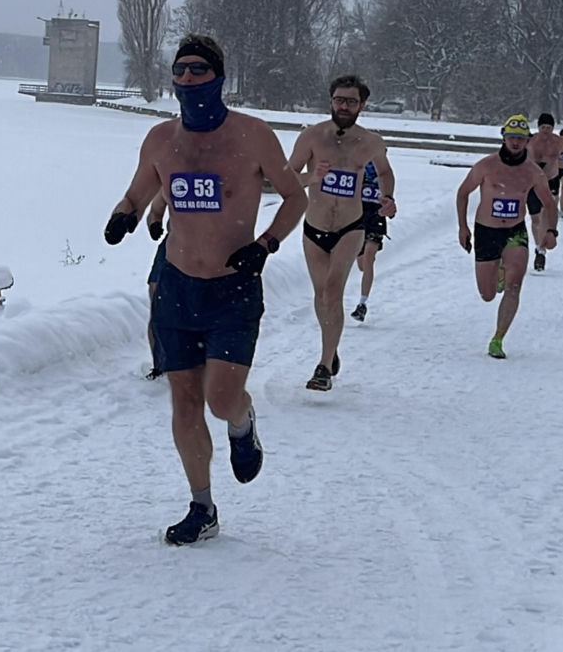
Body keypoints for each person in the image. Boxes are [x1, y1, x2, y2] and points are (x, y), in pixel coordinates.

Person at [104, 35, 306, 545]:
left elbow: (295, 197)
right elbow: (139, 189)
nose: (188, 80)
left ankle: (242, 421)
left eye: (199, 70)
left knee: (220, 398)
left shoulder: (254, 136)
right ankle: (203, 507)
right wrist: (123, 214)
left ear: (219, 77)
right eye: (181, 72)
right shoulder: (159, 140)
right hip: (177, 286)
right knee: (185, 400)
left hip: (233, 288)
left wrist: (266, 244)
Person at [288, 75, 396, 391]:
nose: (343, 106)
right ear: (331, 100)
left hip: (351, 226)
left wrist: (388, 197)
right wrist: (312, 177)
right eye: (339, 99)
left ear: (362, 104)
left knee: (333, 291)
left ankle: (323, 366)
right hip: (315, 228)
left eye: (350, 101)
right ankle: (331, 348)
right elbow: (287, 176)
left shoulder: (371, 141)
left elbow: (386, 172)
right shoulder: (311, 136)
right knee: (321, 295)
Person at [456, 114, 558, 359]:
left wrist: (551, 231)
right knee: (487, 294)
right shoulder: (487, 165)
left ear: (527, 141)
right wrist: (463, 227)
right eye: (511, 137)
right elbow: (463, 193)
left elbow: (549, 204)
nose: (515, 143)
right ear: (503, 137)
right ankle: (498, 271)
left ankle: (498, 339)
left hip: (515, 231)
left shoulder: (533, 172)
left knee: (514, 286)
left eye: (521, 139)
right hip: (486, 231)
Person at [351, 160, 390, 322]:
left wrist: (388, 208)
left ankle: (362, 304)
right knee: (361, 264)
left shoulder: (384, 175)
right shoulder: (357, 171)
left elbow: (390, 199)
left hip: (376, 220)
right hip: (358, 220)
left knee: (368, 259)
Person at [527, 113, 563, 271]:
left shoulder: (558, 142)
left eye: (549, 128)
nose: (545, 131)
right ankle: (538, 246)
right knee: (535, 218)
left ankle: (542, 251)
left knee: (545, 214)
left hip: (550, 180)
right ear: (538, 127)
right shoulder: (531, 141)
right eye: (543, 127)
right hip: (533, 181)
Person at [143, 190, 167, 381]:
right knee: (157, 298)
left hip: (212, 247)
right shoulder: (176, 176)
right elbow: (155, 211)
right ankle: (160, 366)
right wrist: (154, 224)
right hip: (174, 245)